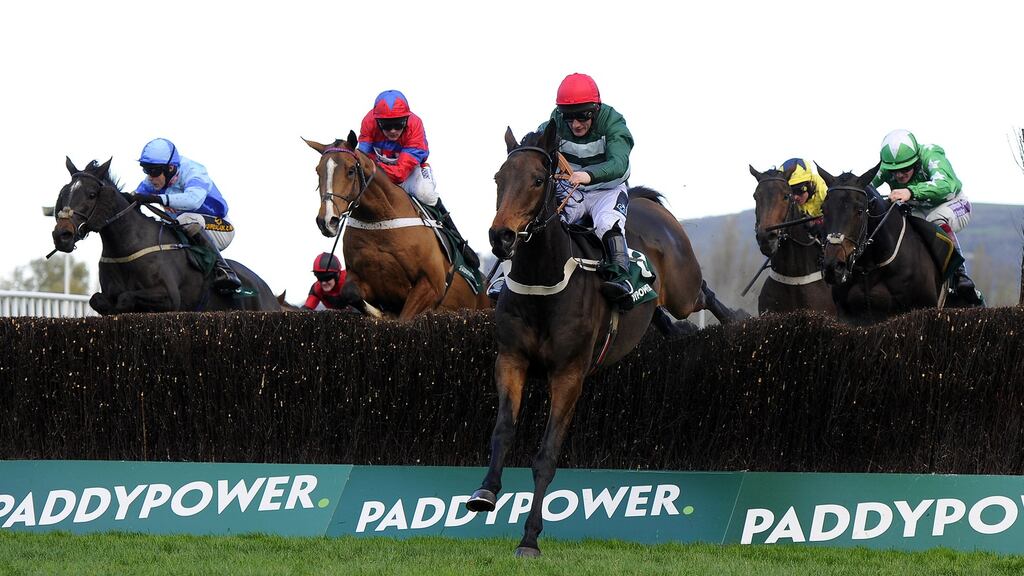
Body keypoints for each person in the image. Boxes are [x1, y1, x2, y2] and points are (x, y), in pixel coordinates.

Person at [356, 89, 480, 269]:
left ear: (406, 120)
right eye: (386, 125)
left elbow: (399, 174)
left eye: (398, 124)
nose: (393, 130)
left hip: (409, 170)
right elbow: (361, 157)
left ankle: (458, 240)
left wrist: (372, 167)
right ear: (377, 122)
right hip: (380, 169)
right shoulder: (368, 122)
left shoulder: (415, 125)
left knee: (426, 194)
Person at [870, 129, 980, 304]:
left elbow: (946, 185)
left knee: (935, 219)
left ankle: (960, 275)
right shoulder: (887, 165)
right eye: (893, 171)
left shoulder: (931, 154)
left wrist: (911, 191)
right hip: (920, 208)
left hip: (954, 203)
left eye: (905, 169)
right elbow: (865, 187)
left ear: (915, 161)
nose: (899, 175)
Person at [130, 138, 241, 293]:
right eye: (146, 170)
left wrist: (156, 199)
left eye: (154, 171)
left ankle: (224, 270)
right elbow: (132, 198)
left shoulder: (194, 171)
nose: (150, 177)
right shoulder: (155, 178)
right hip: (186, 229)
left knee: (185, 219)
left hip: (220, 228)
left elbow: (193, 200)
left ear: (170, 168)